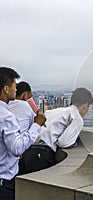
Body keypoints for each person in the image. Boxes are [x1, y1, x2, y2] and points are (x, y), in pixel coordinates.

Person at [19, 87, 93, 175]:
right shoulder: (77, 118)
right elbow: (64, 143)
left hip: (27, 152)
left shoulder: (55, 111)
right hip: (42, 155)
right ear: (85, 106)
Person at [0, 67, 46, 200]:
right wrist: (37, 124)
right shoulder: (6, 117)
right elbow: (17, 148)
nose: (16, 89)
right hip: (3, 184)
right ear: (6, 89)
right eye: (14, 85)